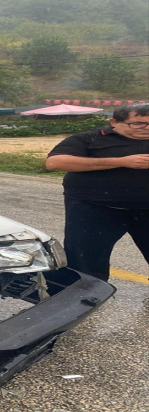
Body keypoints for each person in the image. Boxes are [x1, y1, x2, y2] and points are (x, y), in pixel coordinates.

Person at [46, 103, 149, 281]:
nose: (146, 128)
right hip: (95, 209)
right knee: (86, 262)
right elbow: (55, 162)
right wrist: (121, 161)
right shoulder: (90, 138)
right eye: (139, 123)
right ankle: (83, 297)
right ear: (114, 122)